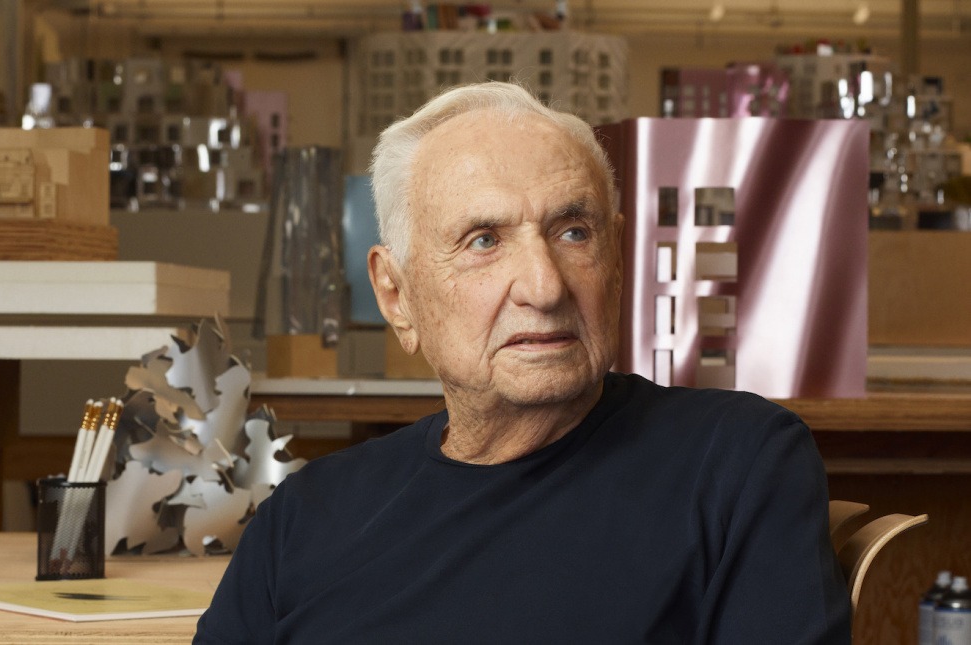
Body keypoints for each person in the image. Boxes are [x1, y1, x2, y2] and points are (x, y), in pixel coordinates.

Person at [195, 82, 851, 643]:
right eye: (484, 240)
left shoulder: (736, 463)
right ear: (397, 296)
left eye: (574, 232)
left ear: (617, 260)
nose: (544, 285)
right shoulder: (307, 516)